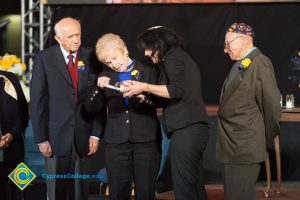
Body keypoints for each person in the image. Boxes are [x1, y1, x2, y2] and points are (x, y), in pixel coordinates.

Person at [122, 26, 209, 200]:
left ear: (158, 44)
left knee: (184, 188)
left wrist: (144, 86)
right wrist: (143, 96)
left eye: (148, 48)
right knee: (194, 185)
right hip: (192, 129)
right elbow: (165, 98)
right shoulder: (177, 58)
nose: (146, 53)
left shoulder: (173, 56)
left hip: (187, 130)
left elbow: (176, 91)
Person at [30, 17, 104, 200]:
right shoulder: (44, 59)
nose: (76, 40)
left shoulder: (91, 57)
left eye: (78, 35)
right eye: (70, 36)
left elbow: (98, 98)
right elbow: (38, 102)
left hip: (83, 137)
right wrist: (41, 139)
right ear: (58, 39)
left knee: (80, 193)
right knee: (57, 193)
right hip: (55, 138)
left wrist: (95, 134)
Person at [91, 33, 161, 200]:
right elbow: (92, 108)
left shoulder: (149, 71)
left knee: (145, 193)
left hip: (146, 141)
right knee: (118, 193)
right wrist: (97, 89)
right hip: (116, 143)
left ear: (125, 50)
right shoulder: (105, 78)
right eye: (108, 62)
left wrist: (142, 96)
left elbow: (159, 103)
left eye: (115, 58)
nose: (113, 65)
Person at [216, 22, 281, 200]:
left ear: (243, 40)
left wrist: (261, 139)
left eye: (227, 43)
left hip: (244, 148)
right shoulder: (243, 63)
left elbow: (272, 108)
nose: (225, 49)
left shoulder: (261, 63)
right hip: (233, 148)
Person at [0, 70, 29, 200]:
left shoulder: (10, 78)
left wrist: (12, 134)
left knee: (19, 192)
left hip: (14, 147)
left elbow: (24, 114)